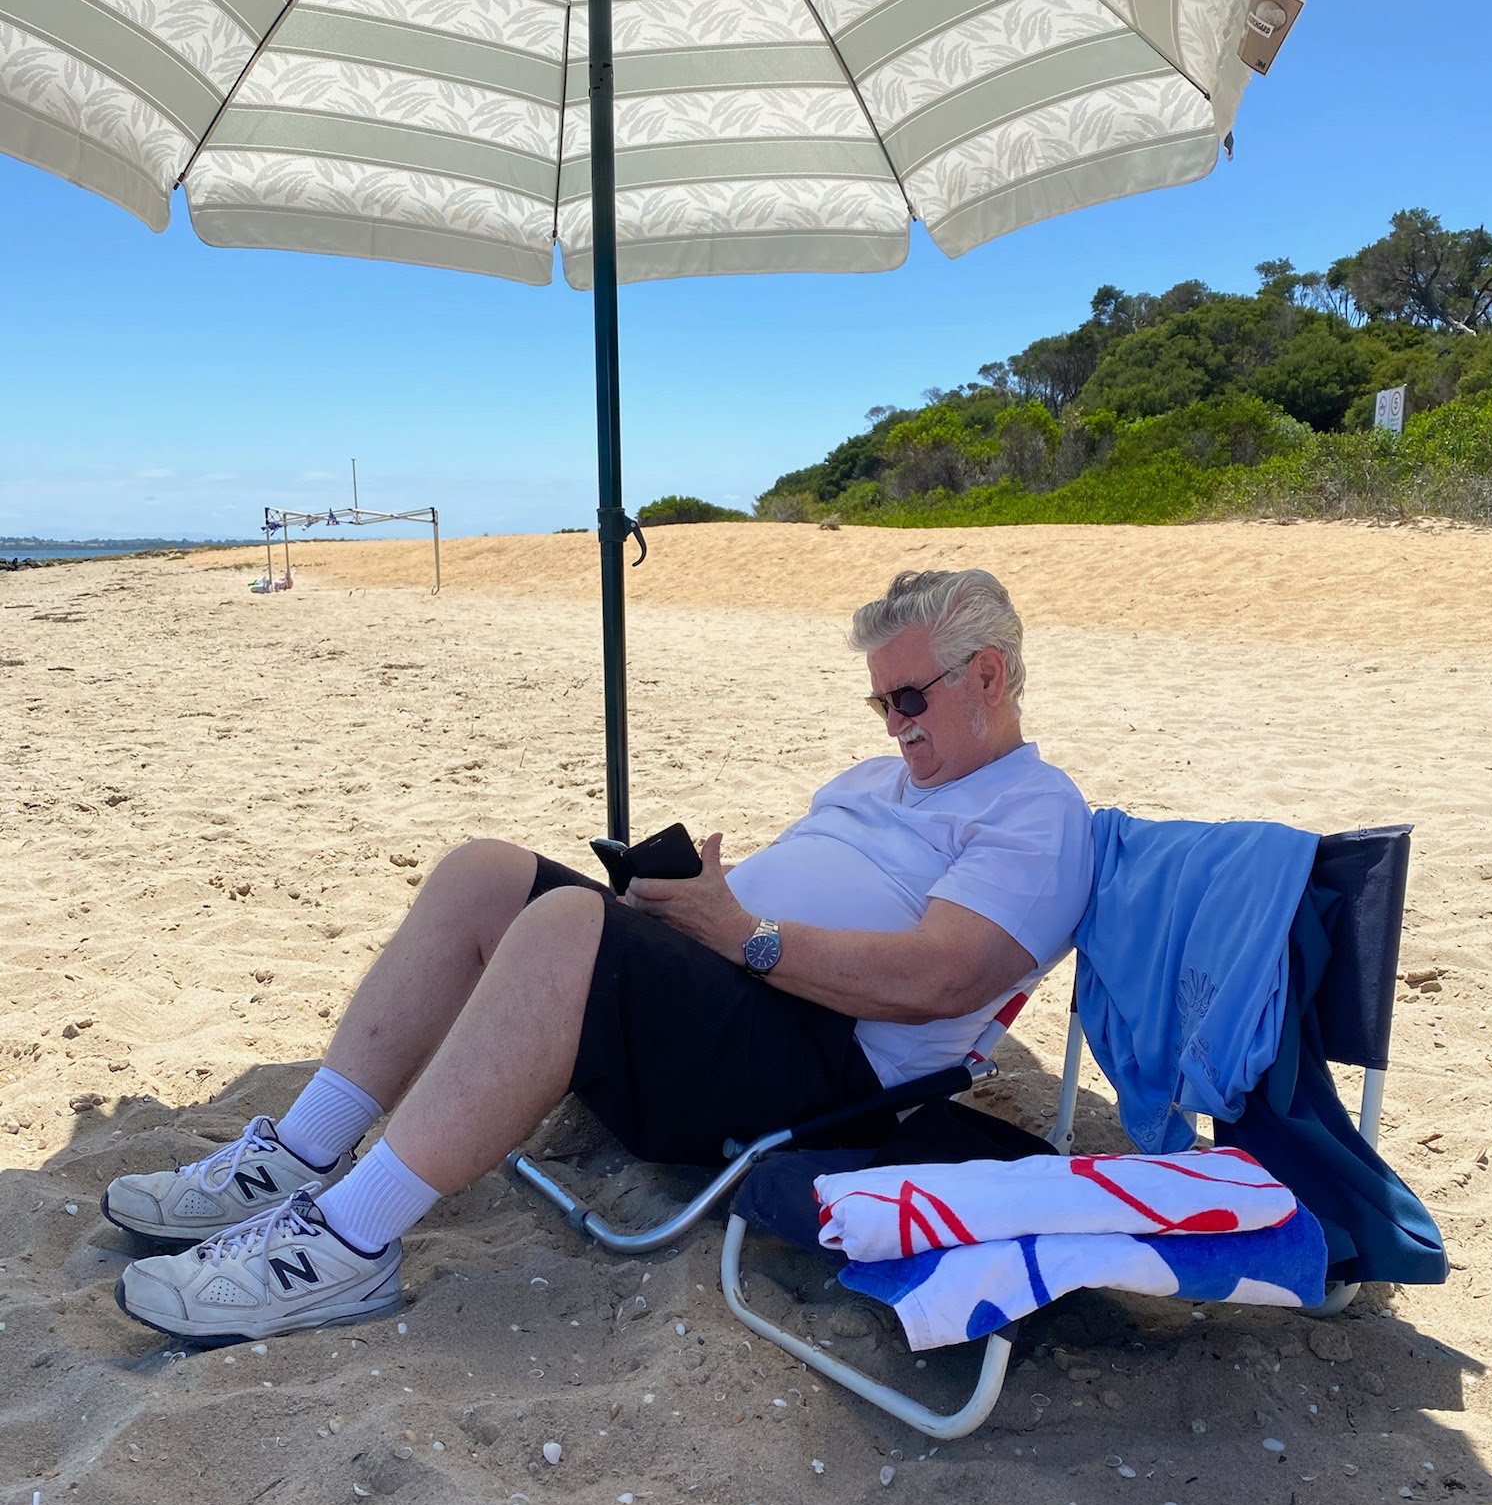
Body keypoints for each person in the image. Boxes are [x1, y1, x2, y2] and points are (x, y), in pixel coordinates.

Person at [104, 568, 1093, 1342]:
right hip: (739, 992)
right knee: (485, 874)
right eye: (880, 704)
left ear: (988, 675)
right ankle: (294, 1155)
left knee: (566, 926)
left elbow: (942, 978)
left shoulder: (1034, 813)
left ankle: (347, 1240)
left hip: (825, 1072)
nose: (895, 724)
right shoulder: (878, 780)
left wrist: (742, 934)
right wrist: (684, 906)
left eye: (909, 697)